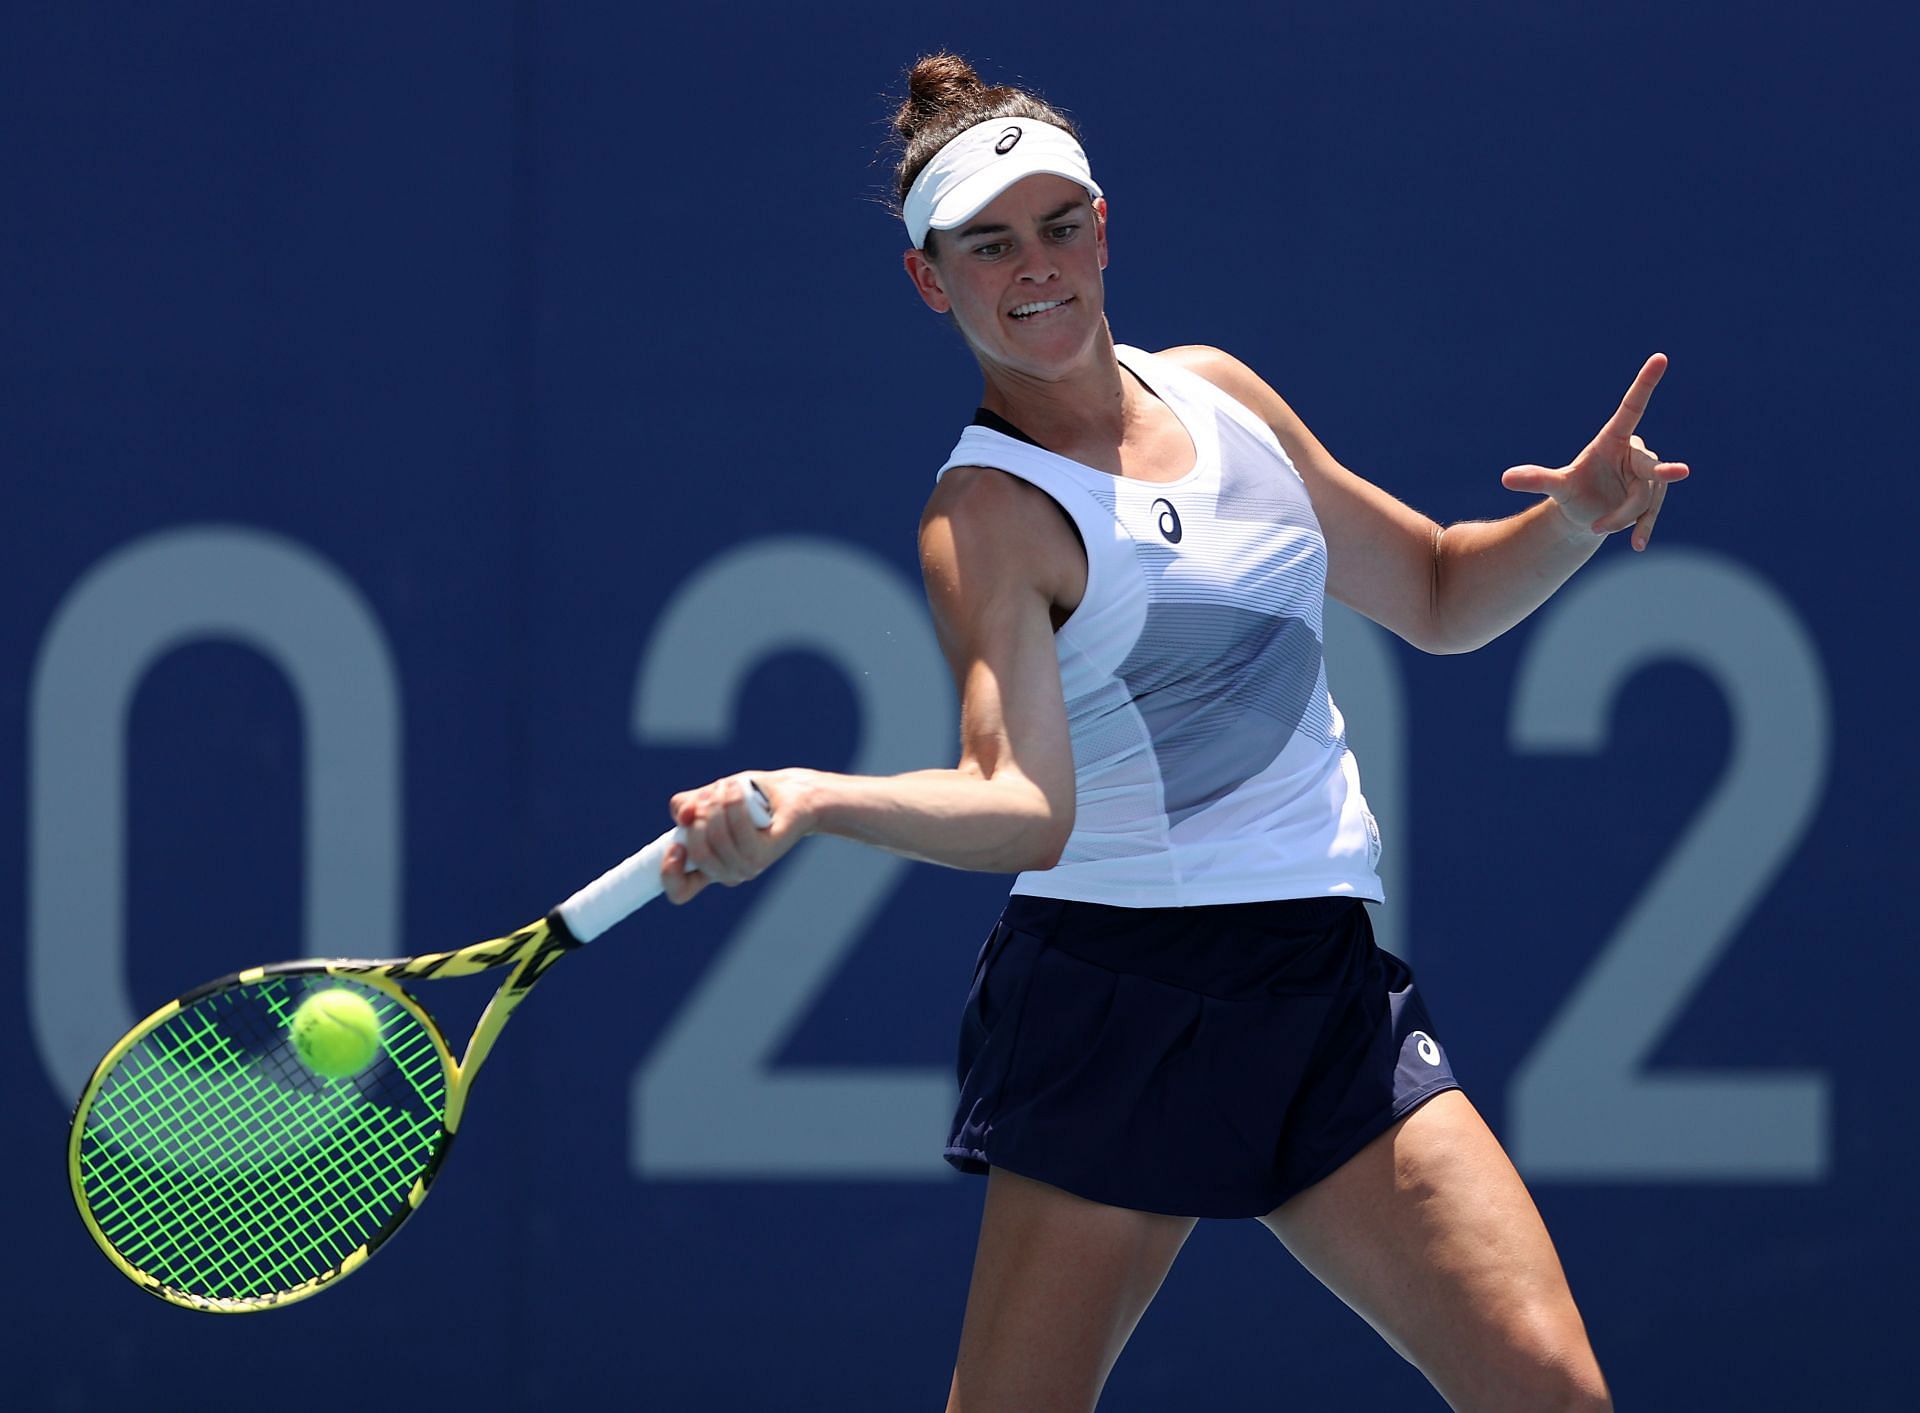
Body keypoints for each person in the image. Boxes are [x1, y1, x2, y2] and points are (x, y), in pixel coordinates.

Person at [661, 53, 1686, 1413]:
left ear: (1103, 223)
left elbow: (1437, 588)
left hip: (1323, 984)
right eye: (989, 244)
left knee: (1552, 1392)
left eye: (1058, 225)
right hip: (1116, 1006)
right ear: (931, 277)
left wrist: (1573, 518)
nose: (1036, 268)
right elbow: (1025, 802)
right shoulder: (987, 516)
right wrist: (811, 799)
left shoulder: (1220, 394)